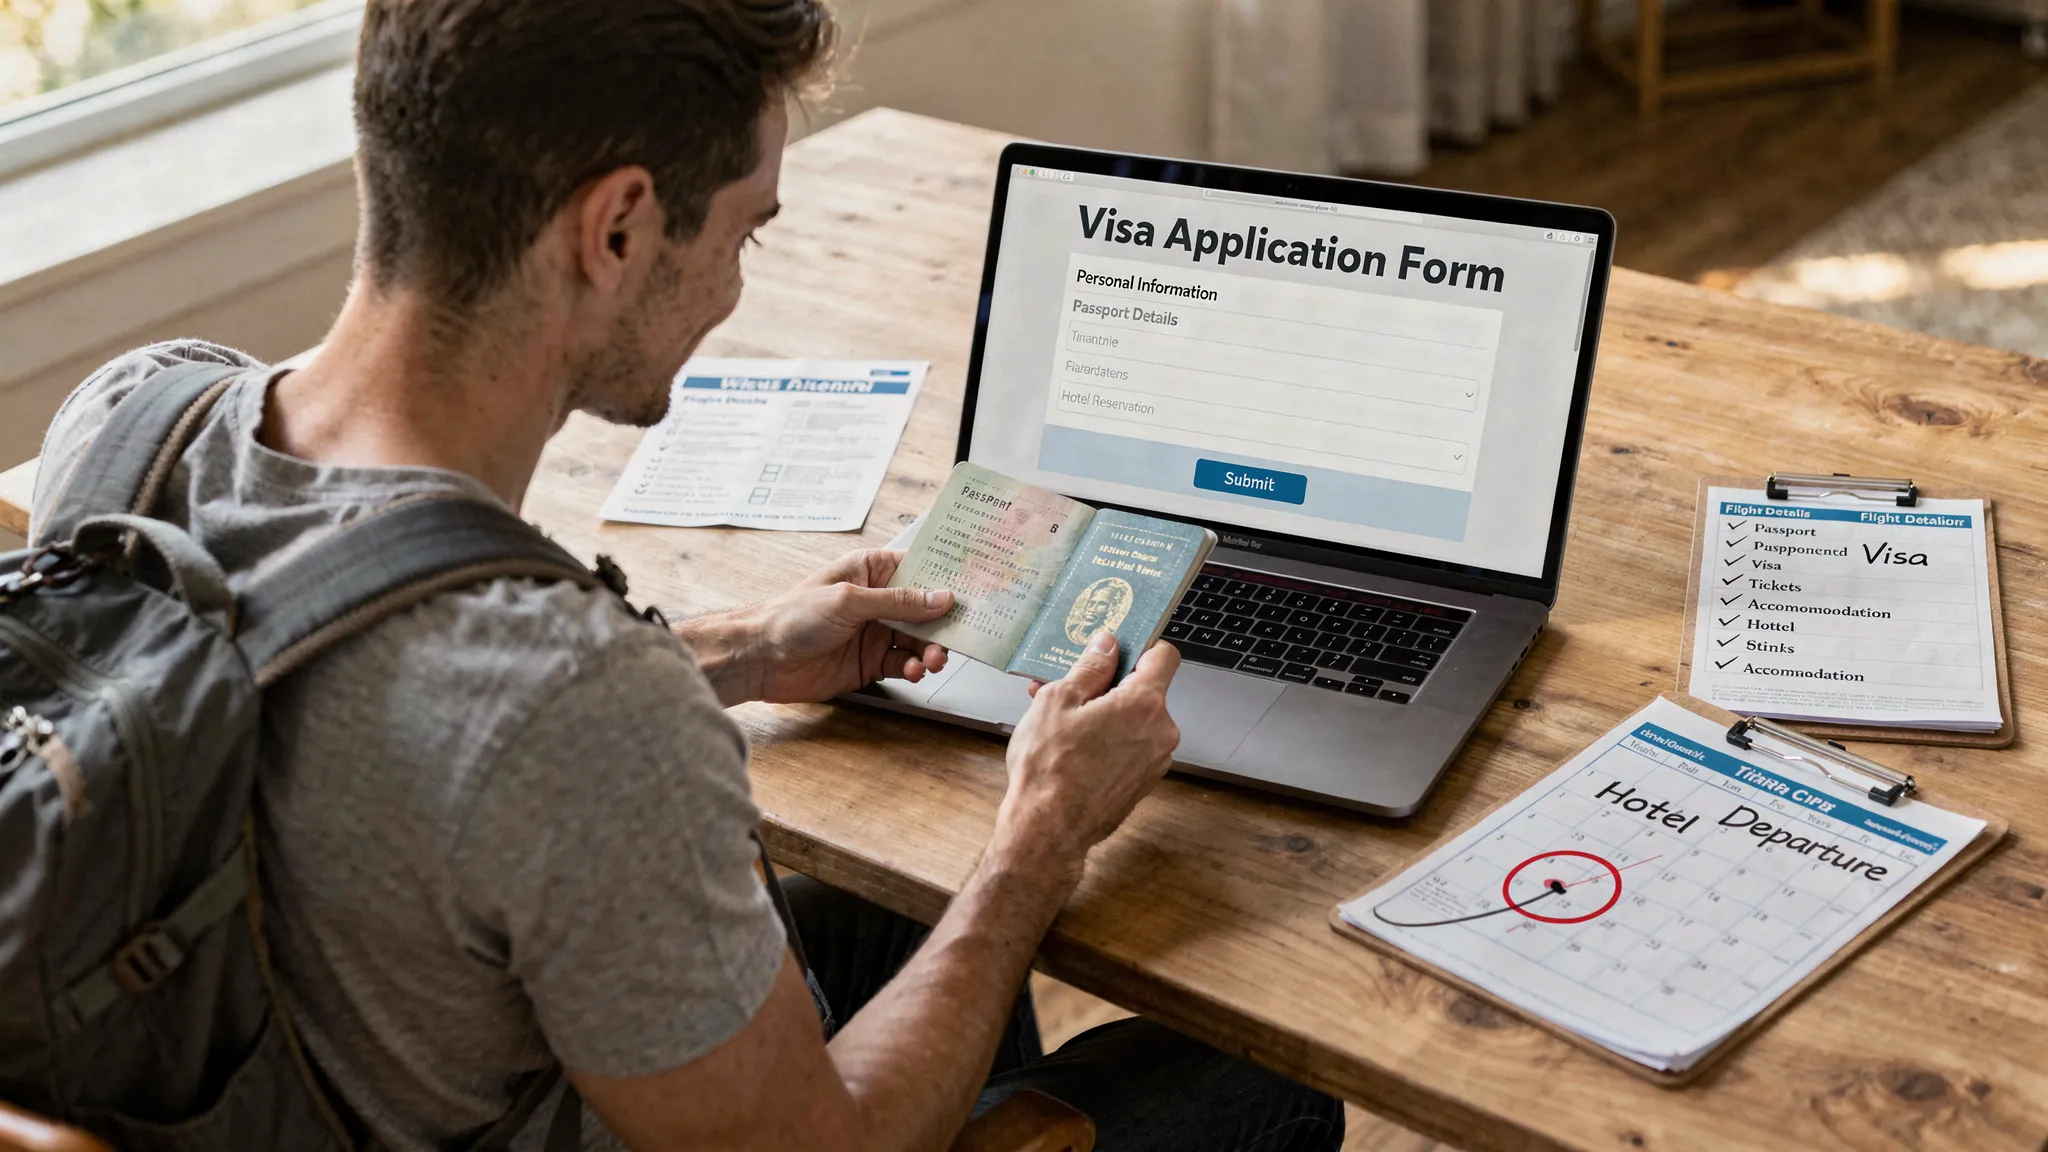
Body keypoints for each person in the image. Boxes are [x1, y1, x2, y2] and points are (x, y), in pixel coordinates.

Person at [31, 1, 1344, 1149]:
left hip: (265, 1081)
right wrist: (1039, 840)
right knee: (1249, 1067)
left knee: (883, 919)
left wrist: (745, 649)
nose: (730, 285)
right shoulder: (577, 712)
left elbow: (353, 693)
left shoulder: (133, 417)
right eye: (744, 231)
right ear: (615, 227)